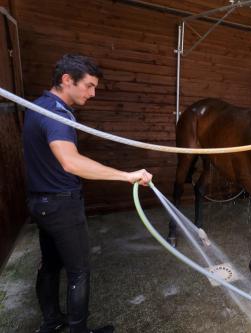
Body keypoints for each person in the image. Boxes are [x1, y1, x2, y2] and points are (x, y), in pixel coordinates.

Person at [23, 54, 153, 333]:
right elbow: (71, 162)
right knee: (78, 271)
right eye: (89, 86)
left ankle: (51, 322)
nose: (93, 93)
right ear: (67, 80)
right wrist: (126, 175)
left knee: (50, 264)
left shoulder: (39, 105)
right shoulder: (55, 114)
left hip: (41, 203)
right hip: (61, 205)